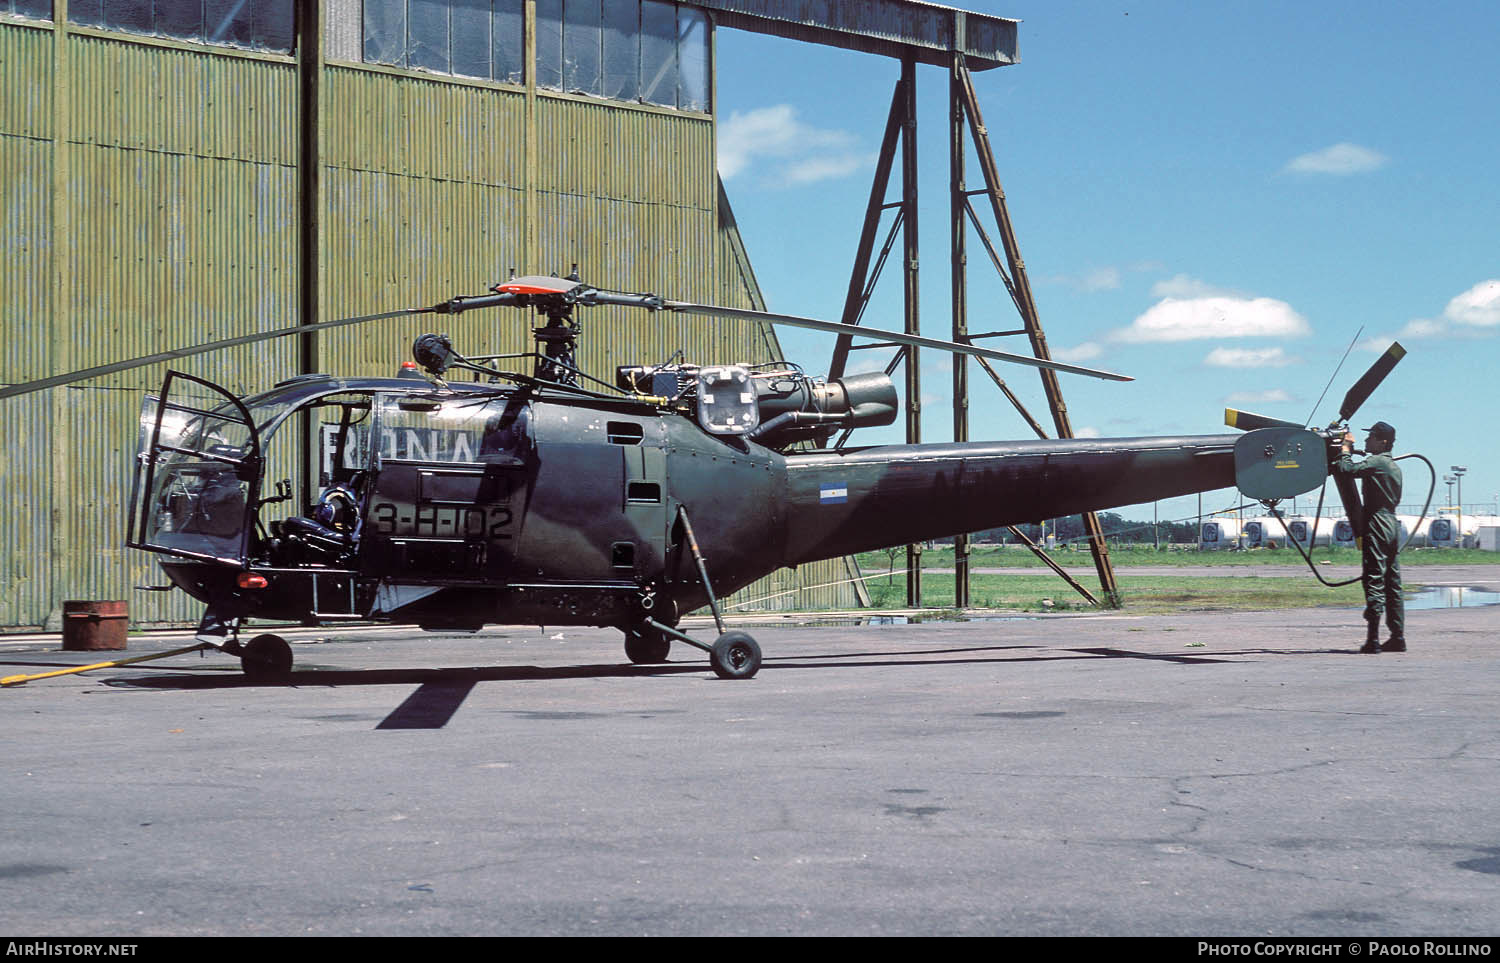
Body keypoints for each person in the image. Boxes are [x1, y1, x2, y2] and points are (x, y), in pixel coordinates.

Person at [1333, 421, 1404, 653]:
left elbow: (1347, 470)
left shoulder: (1377, 462)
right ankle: (1397, 636)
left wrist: (1344, 449)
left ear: (1382, 441)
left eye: (1371, 436)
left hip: (1377, 522)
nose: (1366, 441)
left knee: (1374, 577)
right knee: (1392, 582)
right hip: (1391, 523)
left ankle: (1372, 639)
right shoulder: (1391, 465)